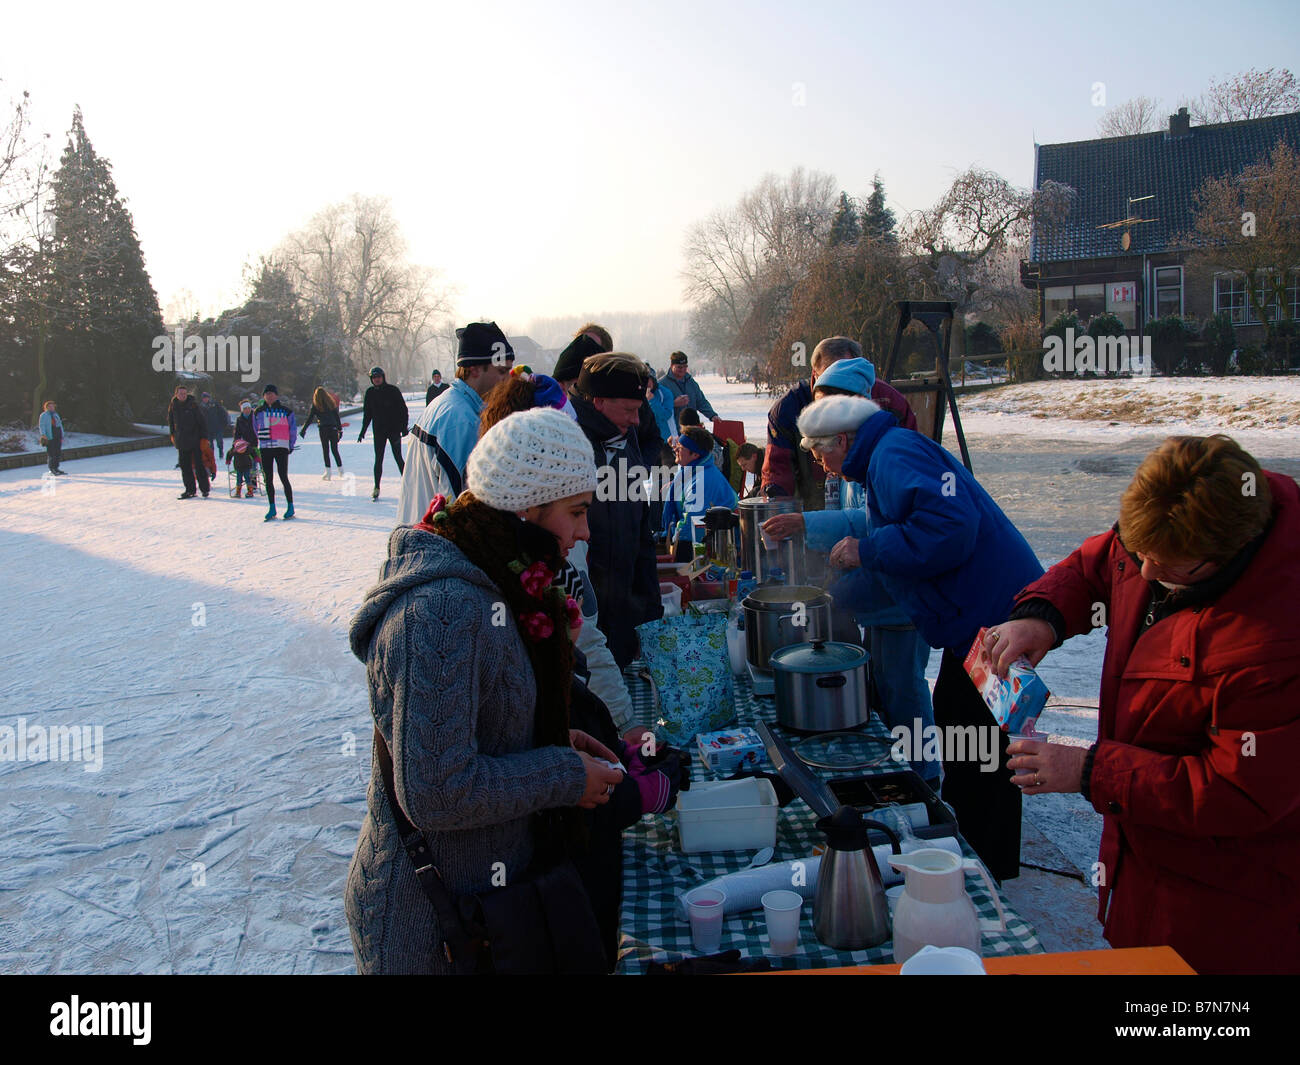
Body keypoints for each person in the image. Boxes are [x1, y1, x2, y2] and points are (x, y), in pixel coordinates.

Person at [985, 435, 1300, 974]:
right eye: (1140, 551)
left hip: (1229, 905)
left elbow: (1237, 792)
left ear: (1226, 555)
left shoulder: (1276, 644)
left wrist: (1089, 770)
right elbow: (1097, 564)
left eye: (1168, 564)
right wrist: (1043, 614)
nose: (1146, 572)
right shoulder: (1166, 529)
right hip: (1144, 861)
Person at [345, 407, 626, 974]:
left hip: (488, 909)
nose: (584, 531)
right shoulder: (444, 609)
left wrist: (547, 737)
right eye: (575, 512)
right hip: (431, 934)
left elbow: (475, 721)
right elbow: (436, 790)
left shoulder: (496, 575)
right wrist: (564, 776)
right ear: (528, 507)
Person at [794, 392, 1043, 881]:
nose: (822, 466)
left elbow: (951, 529)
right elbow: (903, 560)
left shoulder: (893, 454)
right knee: (965, 728)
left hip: (993, 616)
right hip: (976, 618)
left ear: (843, 440)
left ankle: (985, 865)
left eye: (821, 453)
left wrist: (866, 550)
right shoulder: (884, 457)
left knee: (975, 738)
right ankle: (979, 853)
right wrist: (834, 595)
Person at [766, 357, 936, 784]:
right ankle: (904, 771)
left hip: (902, 600)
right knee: (889, 686)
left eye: (830, 405)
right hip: (883, 598)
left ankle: (925, 778)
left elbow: (875, 524)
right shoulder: (858, 449)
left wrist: (808, 525)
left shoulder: (886, 451)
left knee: (907, 692)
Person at [569, 352, 664, 669]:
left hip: (625, 612)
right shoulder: (568, 441)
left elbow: (640, 533)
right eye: (630, 410)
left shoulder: (624, 432)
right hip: (584, 625)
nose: (637, 420)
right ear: (598, 402)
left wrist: (650, 611)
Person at [762, 337, 916, 511]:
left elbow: (905, 477)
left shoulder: (890, 403)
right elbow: (777, 469)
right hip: (812, 508)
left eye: (848, 377)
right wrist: (778, 508)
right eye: (829, 377)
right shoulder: (788, 409)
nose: (836, 398)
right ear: (814, 374)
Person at [396, 321, 514, 524]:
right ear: (475, 369)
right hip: (439, 546)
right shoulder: (462, 421)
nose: (508, 381)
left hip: (420, 537)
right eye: (502, 372)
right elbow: (467, 511)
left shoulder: (447, 403)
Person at [662, 426, 739, 554]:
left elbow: (693, 525)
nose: (675, 449)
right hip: (704, 536)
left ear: (695, 454)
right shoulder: (690, 470)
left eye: (680, 447)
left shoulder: (702, 481)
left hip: (722, 545)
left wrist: (671, 540)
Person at [357, 367, 408, 501]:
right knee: (378, 459)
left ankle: (408, 484)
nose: (377, 379)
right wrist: (363, 430)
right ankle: (376, 487)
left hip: (393, 429)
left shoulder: (392, 390)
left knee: (398, 457)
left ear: (383, 377)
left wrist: (404, 427)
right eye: (374, 378)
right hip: (379, 431)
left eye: (379, 377)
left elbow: (403, 409)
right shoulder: (370, 393)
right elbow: (367, 414)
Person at [253, 384, 297, 520]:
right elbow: (255, 429)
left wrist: (290, 444)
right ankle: (272, 507)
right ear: (263, 396)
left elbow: (293, 429)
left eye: (271, 393)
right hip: (266, 448)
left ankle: (290, 506)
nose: (269, 396)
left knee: (283, 476)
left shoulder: (286, 411)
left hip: (281, 447)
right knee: (268, 478)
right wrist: (260, 442)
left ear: (276, 395)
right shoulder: (258, 412)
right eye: (266, 394)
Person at [657, 351, 717, 435]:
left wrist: (712, 415)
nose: (682, 370)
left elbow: (701, 401)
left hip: (691, 431)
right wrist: (672, 404)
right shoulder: (661, 385)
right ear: (671, 366)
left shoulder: (691, 382)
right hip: (671, 433)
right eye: (679, 367)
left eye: (685, 367)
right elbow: (655, 409)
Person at [167, 384, 211, 499]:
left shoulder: (193, 405)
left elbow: (202, 422)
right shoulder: (173, 406)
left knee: (199, 465)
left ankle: (205, 489)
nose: (183, 395)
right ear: (176, 394)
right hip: (181, 441)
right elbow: (171, 423)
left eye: (184, 393)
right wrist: (173, 435)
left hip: (195, 440)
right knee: (185, 466)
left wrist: (204, 438)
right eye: (180, 393)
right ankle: (190, 490)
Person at [301, 387, 344, 480]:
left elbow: (309, 419)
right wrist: (340, 430)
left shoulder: (316, 406)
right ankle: (341, 471)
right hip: (333, 428)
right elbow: (337, 418)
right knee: (335, 450)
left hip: (323, 429)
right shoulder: (331, 404)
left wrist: (303, 429)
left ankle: (328, 473)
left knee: (326, 450)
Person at [199, 391, 230, 461]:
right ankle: (211, 455)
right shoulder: (200, 407)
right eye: (204, 398)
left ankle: (221, 452)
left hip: (217, 427)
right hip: (207, 428)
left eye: (206, 398)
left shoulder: (215, 404)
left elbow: (223, 413)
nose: (205, 399)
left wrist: (224, 423)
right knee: (210, 444)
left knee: (219, 441)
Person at [37, 401, 66, 476]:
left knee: (57, 452)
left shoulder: (56, 414)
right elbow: (42, 425)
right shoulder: (44, 415)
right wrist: (43, 434)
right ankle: (52, 469)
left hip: (57, 434)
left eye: (53, 406)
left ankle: (56, 468)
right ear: (46, 407)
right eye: (50, 406)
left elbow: (60, 424)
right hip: (50, 435)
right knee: (51, 453)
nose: (52, 408)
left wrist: (62, 434)